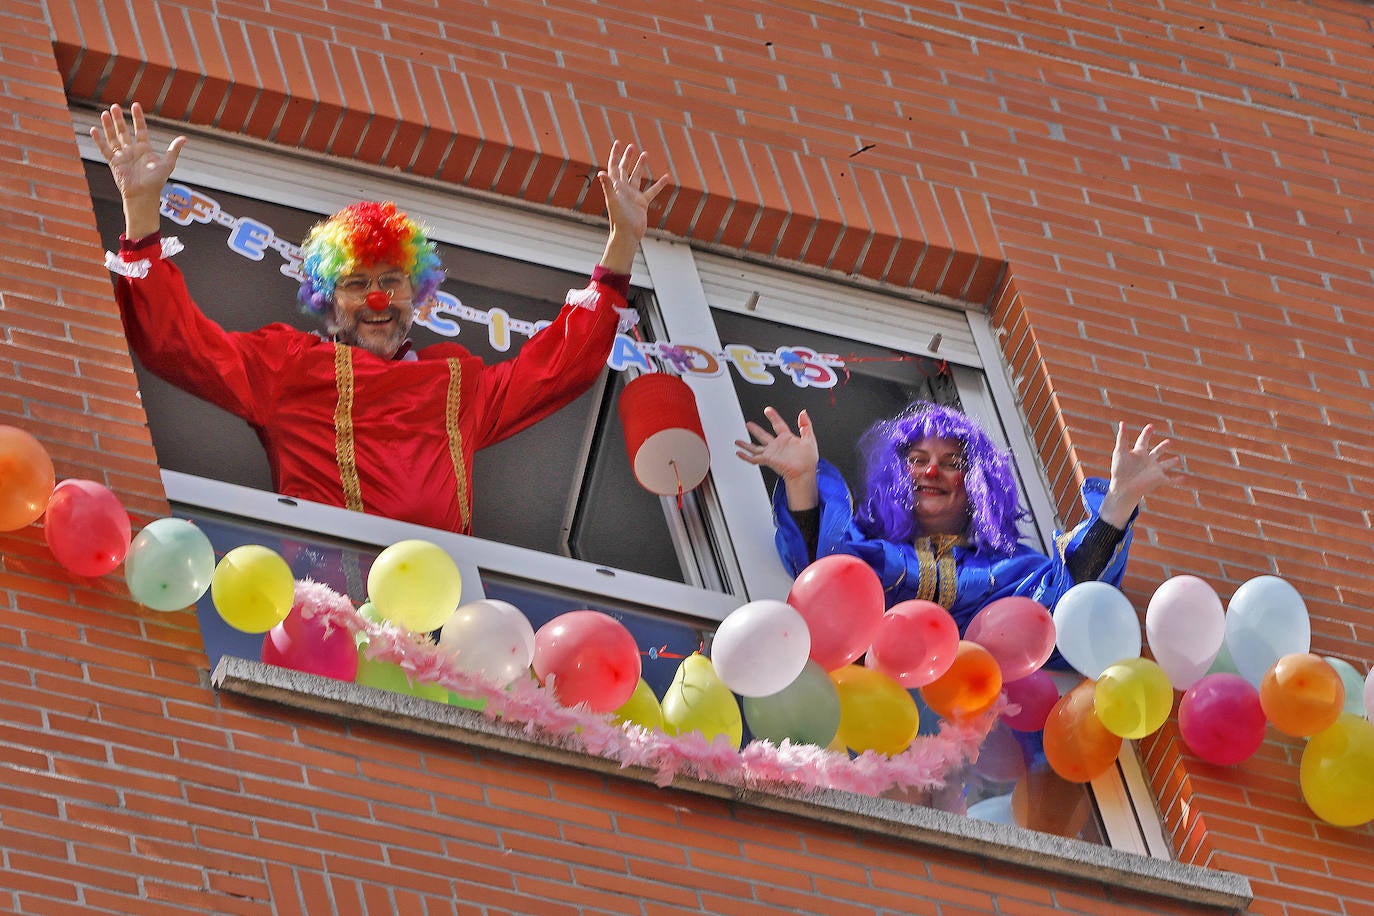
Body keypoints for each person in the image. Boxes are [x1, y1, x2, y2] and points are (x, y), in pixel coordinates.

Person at [93, 102, 670, 535]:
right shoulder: (288, 366)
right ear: (328, 302)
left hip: (441, 614)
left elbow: (557, 368)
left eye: (391, 280)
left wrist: (620, 248)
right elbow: (177, 344)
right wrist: (142, 212)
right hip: (324, 602)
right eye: (356, 284)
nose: (376, 298)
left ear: (415, 296)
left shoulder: (457, 383)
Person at [734, 402, 1181, 630]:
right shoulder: (861, 547)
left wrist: (1119, 501)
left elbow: (1067, 603)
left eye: (951, 463)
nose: (931, 471)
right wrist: (802, 479)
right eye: (917, 459)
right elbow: (818, 566)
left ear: (977, 487)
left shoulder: (1013, 570)